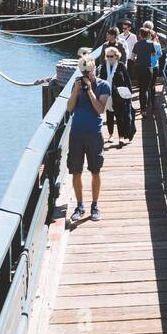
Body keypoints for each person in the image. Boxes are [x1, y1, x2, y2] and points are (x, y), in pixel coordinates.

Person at [66, 53, 110, 222]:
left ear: (94, 69)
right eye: (85, 73)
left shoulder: (103, 86)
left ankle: (95, 205)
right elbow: (69, 108)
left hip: (94, 133)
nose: (87, 76)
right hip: (77, 132)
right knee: (76, 172)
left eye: (90, 72)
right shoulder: (76, 85)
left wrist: (90, 90)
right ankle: (79, 205)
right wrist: (76, 90)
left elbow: (100, 110)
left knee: (95, 171)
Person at [98, 45, 134, 146]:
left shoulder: (121, 65)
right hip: (108, 94)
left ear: (116, 56)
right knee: (109, 115)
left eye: (111, 56)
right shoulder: (104, 66)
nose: (109, 58)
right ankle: (110, 135)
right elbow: (101, 80)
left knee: (120, 116)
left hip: (119, 94)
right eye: (107, 56)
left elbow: (127, 80)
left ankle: (121, 137)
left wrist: (130, 93)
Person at [133, 30, 158, 109]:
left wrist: (138, 59)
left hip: (138, 67)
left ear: (140, 35)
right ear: (148, 35)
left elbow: (132, 57)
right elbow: (154, 54)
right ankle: (146, 106)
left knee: (141, 89)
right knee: (146, 88)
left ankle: (142, 108)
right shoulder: (151, 44)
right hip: (148, 68)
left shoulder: (137, 44)